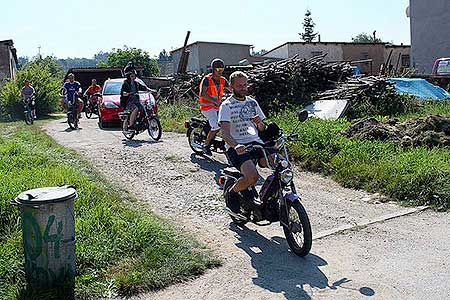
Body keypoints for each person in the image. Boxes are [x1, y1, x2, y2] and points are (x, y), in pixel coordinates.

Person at [218, 71, 269, 215]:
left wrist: (260, 124)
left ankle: (275, 198)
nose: (243, 87)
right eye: (239, 85)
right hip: (238, 147)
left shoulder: (252, 102)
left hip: (256, 143)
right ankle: (232, 193)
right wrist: (236, 145)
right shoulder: (226, 106)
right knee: (253, 177)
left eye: (245, 84)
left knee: (281, 166)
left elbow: (262, 128)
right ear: (231, 87)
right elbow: (225, 134)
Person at [199, 58, 230, 155]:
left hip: (218, 107)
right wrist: (215, 101)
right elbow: (202, 94)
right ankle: (206, 145)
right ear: (213, 69)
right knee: (216, 127)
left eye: (222, 70)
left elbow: (231, 90)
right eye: (218, 70)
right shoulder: (207, 80)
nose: (220, 72)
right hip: (207, 107)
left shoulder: (222, 80)